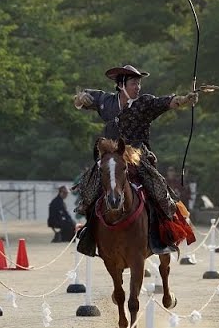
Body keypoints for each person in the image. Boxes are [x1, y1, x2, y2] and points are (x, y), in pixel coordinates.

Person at [72, 64, 198, 256]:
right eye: (133, 83)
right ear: (121, 84)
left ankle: (163, 235)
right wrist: (80, 98)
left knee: (158, 191)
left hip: (137, 156)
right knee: (89, 192)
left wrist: (185, 99)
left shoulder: (145, 103)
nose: (138, 87)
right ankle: (90, 233)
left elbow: (167, 102)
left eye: (139, 83)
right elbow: (81, 98)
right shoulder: (106, 101)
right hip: (111, 157)